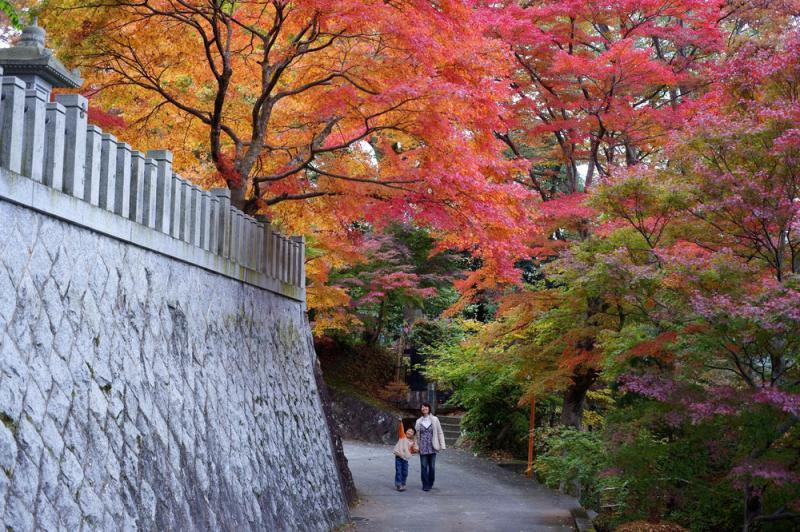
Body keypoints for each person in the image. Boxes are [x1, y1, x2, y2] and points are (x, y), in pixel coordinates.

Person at [414, 402, 446, 491]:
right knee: (423, 466)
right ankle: (425, 484)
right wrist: (416, 446)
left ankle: (431, 482)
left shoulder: (435, 419)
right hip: (423, 446)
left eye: (426, 407)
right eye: (422, 407)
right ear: (421, 409)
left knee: (432, 466)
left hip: (433, 446)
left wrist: (442, 445)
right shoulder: (418, 421)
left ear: (429, 408)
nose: (424, 408)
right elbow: (416, 435)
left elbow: (440, 432)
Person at [393, 427, 417, 491]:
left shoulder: (412, 442)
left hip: (405, 459)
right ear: (405, 431)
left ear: (413, 435)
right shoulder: (402, 437)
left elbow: (412, 450)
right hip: (399, 457)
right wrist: (400, 422)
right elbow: (401, 429)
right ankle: (398, 484)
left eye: (411, 432)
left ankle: (403, 484)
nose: (409, 432)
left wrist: (415, 450)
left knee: (405, 472)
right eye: (408, 431)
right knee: (399, 471)